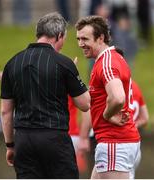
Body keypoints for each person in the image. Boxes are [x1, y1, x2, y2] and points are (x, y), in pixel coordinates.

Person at [0, 12, 90, 179]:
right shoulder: (64, 63)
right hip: (54, 138)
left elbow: (6, 112)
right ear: (59, 35)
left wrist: (10, 145)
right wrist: (74, 76)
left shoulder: (12, 63)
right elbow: (85, 104)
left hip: (23, 140)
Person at [75, 15, 140, 179]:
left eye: (85, 39)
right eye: (78, 39)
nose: (80, 44)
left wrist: (106, 115)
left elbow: (118, 97)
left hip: (114, 142)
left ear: (101, 38)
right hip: (116, 142)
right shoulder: (113, 58)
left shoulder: (106, 62)